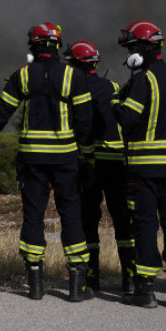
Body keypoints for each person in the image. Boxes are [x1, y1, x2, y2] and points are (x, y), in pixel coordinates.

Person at [0, 23, 95, 301]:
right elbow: (85, 120)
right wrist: (87, 153)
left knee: (33, 214)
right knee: (70, 213)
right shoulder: (73, 76)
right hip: (66, 157)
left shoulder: (22, 76)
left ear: (32, 45)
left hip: (32, 158)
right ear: (57, 46)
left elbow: (2, 111)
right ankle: (77, 284)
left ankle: (35, 283)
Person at [112, 20, 166, 309]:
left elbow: (127, 119)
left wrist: (115, 104)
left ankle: (145, 291)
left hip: (144, 170)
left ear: (146, 48)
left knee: (146, 226)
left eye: (133, 47)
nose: (130, 54)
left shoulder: (142, 80)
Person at [62, 40, 134, 293]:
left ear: (77, 65)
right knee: (123, 219)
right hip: (116, 162)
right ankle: (130, 277)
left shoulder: (72, 88)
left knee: (87, 221)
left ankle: (90, 278)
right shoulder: (113, 86)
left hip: (88, 163)